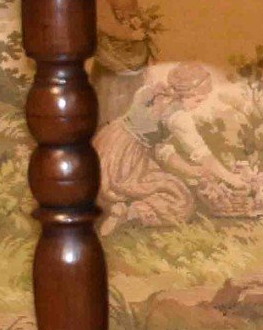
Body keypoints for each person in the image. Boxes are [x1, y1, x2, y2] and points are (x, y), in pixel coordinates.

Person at [96, 62, 251, 228]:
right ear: (187, 94)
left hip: (108, 143)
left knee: (132, 186)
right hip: (127, 160)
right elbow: (204, 156)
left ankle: (118, 207)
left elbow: (161, 149)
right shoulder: (178, 118)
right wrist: (234, 180)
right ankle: (129, 212)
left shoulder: (150, 93)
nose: (197, 106)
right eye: (198, 100)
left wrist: (189, 169)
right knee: (180, 199)